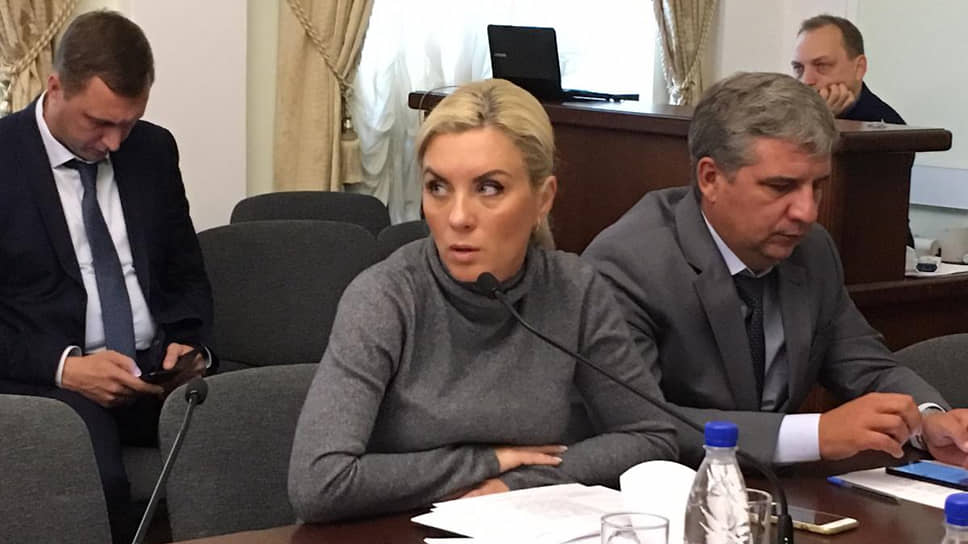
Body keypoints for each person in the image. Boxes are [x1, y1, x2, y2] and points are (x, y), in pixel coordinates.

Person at [288, 78, 677, 523]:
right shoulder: (385, 297)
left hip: (520, 525)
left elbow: (651, 436)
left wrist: (517, 484)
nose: (457, 217)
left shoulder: (573, 289)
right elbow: (318, 483)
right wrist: (488, 461)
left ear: (543, 199)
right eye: (438, 187)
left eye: (488, 188)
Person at [582, 72, 968, 467]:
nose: (807, 212)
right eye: (781, 187)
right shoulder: (630, 264)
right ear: (711, 179)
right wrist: (815, 435)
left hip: (779, 493)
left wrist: (927, 420)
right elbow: (642, 425)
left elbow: (864, 364)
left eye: (817, 185)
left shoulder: (812, 249)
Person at [0, 10, 214, 541]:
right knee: (95, 481)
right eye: (99, 122)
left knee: (248, 438)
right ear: (55, 87)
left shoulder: (153, 150)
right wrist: (64, 368)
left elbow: (186, 274)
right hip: (52, 382)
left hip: (153, 372)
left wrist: (190, 346)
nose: (115, 142)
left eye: (129, 122)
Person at [792, 14, 904, 125]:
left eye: (822, 65)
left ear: (859, 68)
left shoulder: (887, 128)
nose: (806, 81)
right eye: (798, 68)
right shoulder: (789, 112)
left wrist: (824, 121)